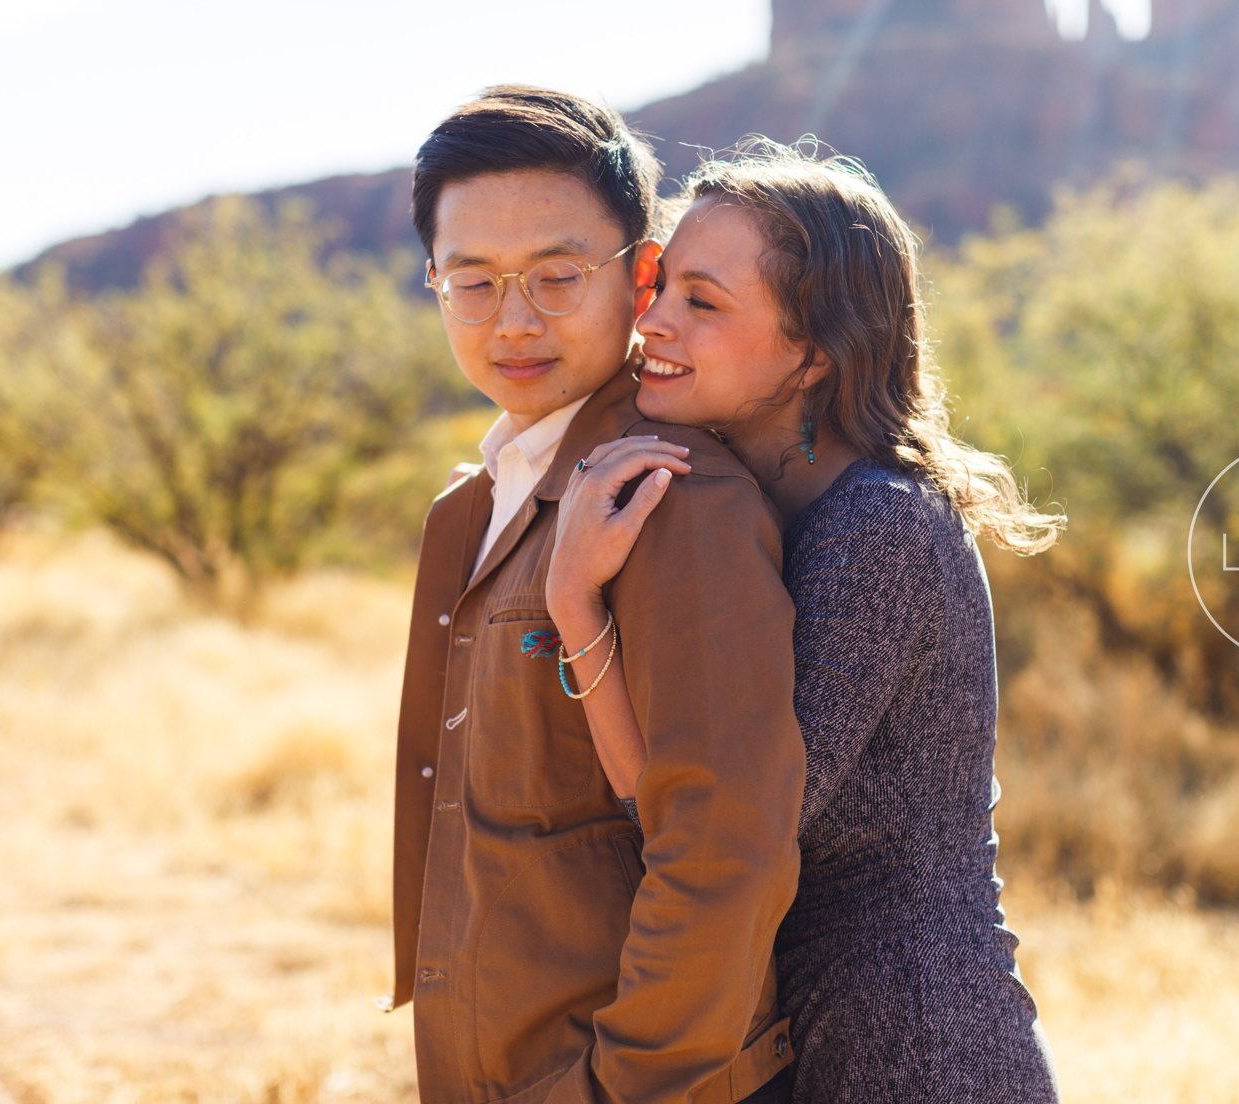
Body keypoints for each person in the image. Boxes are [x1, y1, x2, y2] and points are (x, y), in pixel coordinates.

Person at [548, 139, 1066, 1101]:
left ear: (814, 354)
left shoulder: (879, 527)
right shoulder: (771, 509)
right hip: (820, 1032)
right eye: (660, 286)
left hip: (914, 1047)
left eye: (703, 303)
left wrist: (574, 603)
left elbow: (726, 823)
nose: (652, 322)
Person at [389, 86, 806, 1104]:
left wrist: (625, 1086)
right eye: (474, 281)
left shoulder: (672, 497)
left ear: (643, 272)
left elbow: (727, 848)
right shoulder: (475, 503)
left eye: (558, 276)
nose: (514, 320)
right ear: (434, 279)